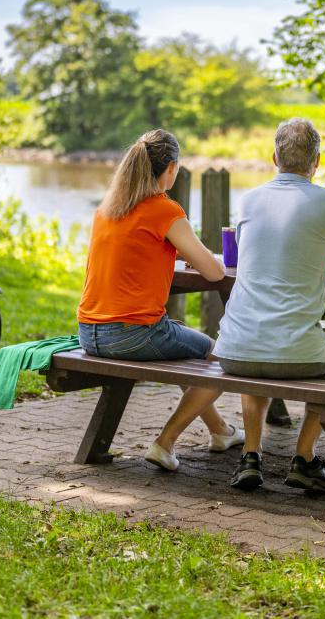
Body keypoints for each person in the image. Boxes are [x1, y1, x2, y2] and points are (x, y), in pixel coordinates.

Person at [213, 118, 325, 493]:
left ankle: (251, 455)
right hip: (298, 353)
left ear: (274, 158)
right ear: (317, 161)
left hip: (234, 349)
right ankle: (305, 458)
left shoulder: (249, 200)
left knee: (258, 348)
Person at [77, 129, 244, 471]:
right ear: (170, 169)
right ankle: (164, 443)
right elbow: (214, 272)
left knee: (185, 342)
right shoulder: (163, 210)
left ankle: (221, 432)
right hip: (131, 334)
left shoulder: (108, 209)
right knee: (224, 355)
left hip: (89, 331)